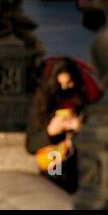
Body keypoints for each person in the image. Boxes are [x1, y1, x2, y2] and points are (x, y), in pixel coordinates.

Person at [26, 58, 91, 193]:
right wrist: (50, 132)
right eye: (60, 84)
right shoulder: (42, 106)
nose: (64, 89)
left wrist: (81, 128)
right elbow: (31, 145)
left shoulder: (83, 104)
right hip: (53, 164)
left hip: (79, 169)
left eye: (69, 84)